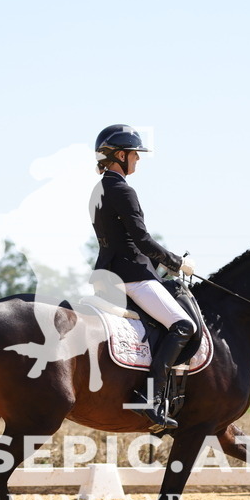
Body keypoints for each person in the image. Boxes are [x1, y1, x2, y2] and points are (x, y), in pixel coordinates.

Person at [89, 124, 196, 432]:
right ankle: (149, 397)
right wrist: (177, 263)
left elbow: (121, 240)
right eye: (134, 155)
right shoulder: (123, 189)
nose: (137, 160)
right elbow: (142, 240)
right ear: (120, 155)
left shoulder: (99, 190)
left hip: (107, 275)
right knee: (182, 325)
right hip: (132, 276)